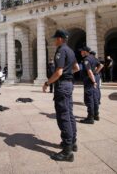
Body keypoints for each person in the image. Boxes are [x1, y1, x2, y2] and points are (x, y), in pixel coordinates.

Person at [42, 30, 79, 162]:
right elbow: (77, 68)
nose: (54, 40)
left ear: (60, 39)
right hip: (69, 85)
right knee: (69, 114)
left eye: (55, 38)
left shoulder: (61, 50)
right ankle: (73, 143)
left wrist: (47, 83)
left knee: (63, 116)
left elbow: (58, 72)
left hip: (62, 86)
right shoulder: (70, 50)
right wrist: (68, 74)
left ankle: (67, 151)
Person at [79, 46, 99, 124]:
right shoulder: (94, 58)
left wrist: (93, 81)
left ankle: (90, 118)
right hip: (92, 80)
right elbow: (101, 65)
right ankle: (96, 115)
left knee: (89, 99)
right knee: (94, 98)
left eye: (82, 51)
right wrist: (96, 73)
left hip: (88, 81)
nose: (80, 53)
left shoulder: (86, 59)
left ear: (85, 52)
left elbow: (89, 71)